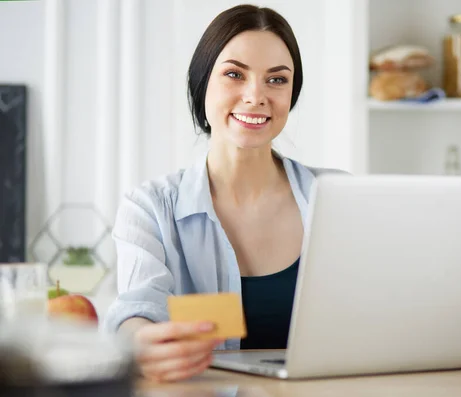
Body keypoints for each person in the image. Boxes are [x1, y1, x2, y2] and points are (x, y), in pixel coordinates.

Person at [102, 4, 346, 383]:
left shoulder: (339, 198)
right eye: (235, 74)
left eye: (276, 80)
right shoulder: (150, 207)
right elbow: (137, 309)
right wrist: (141, 344)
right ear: (203, 83)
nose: (255, 96)